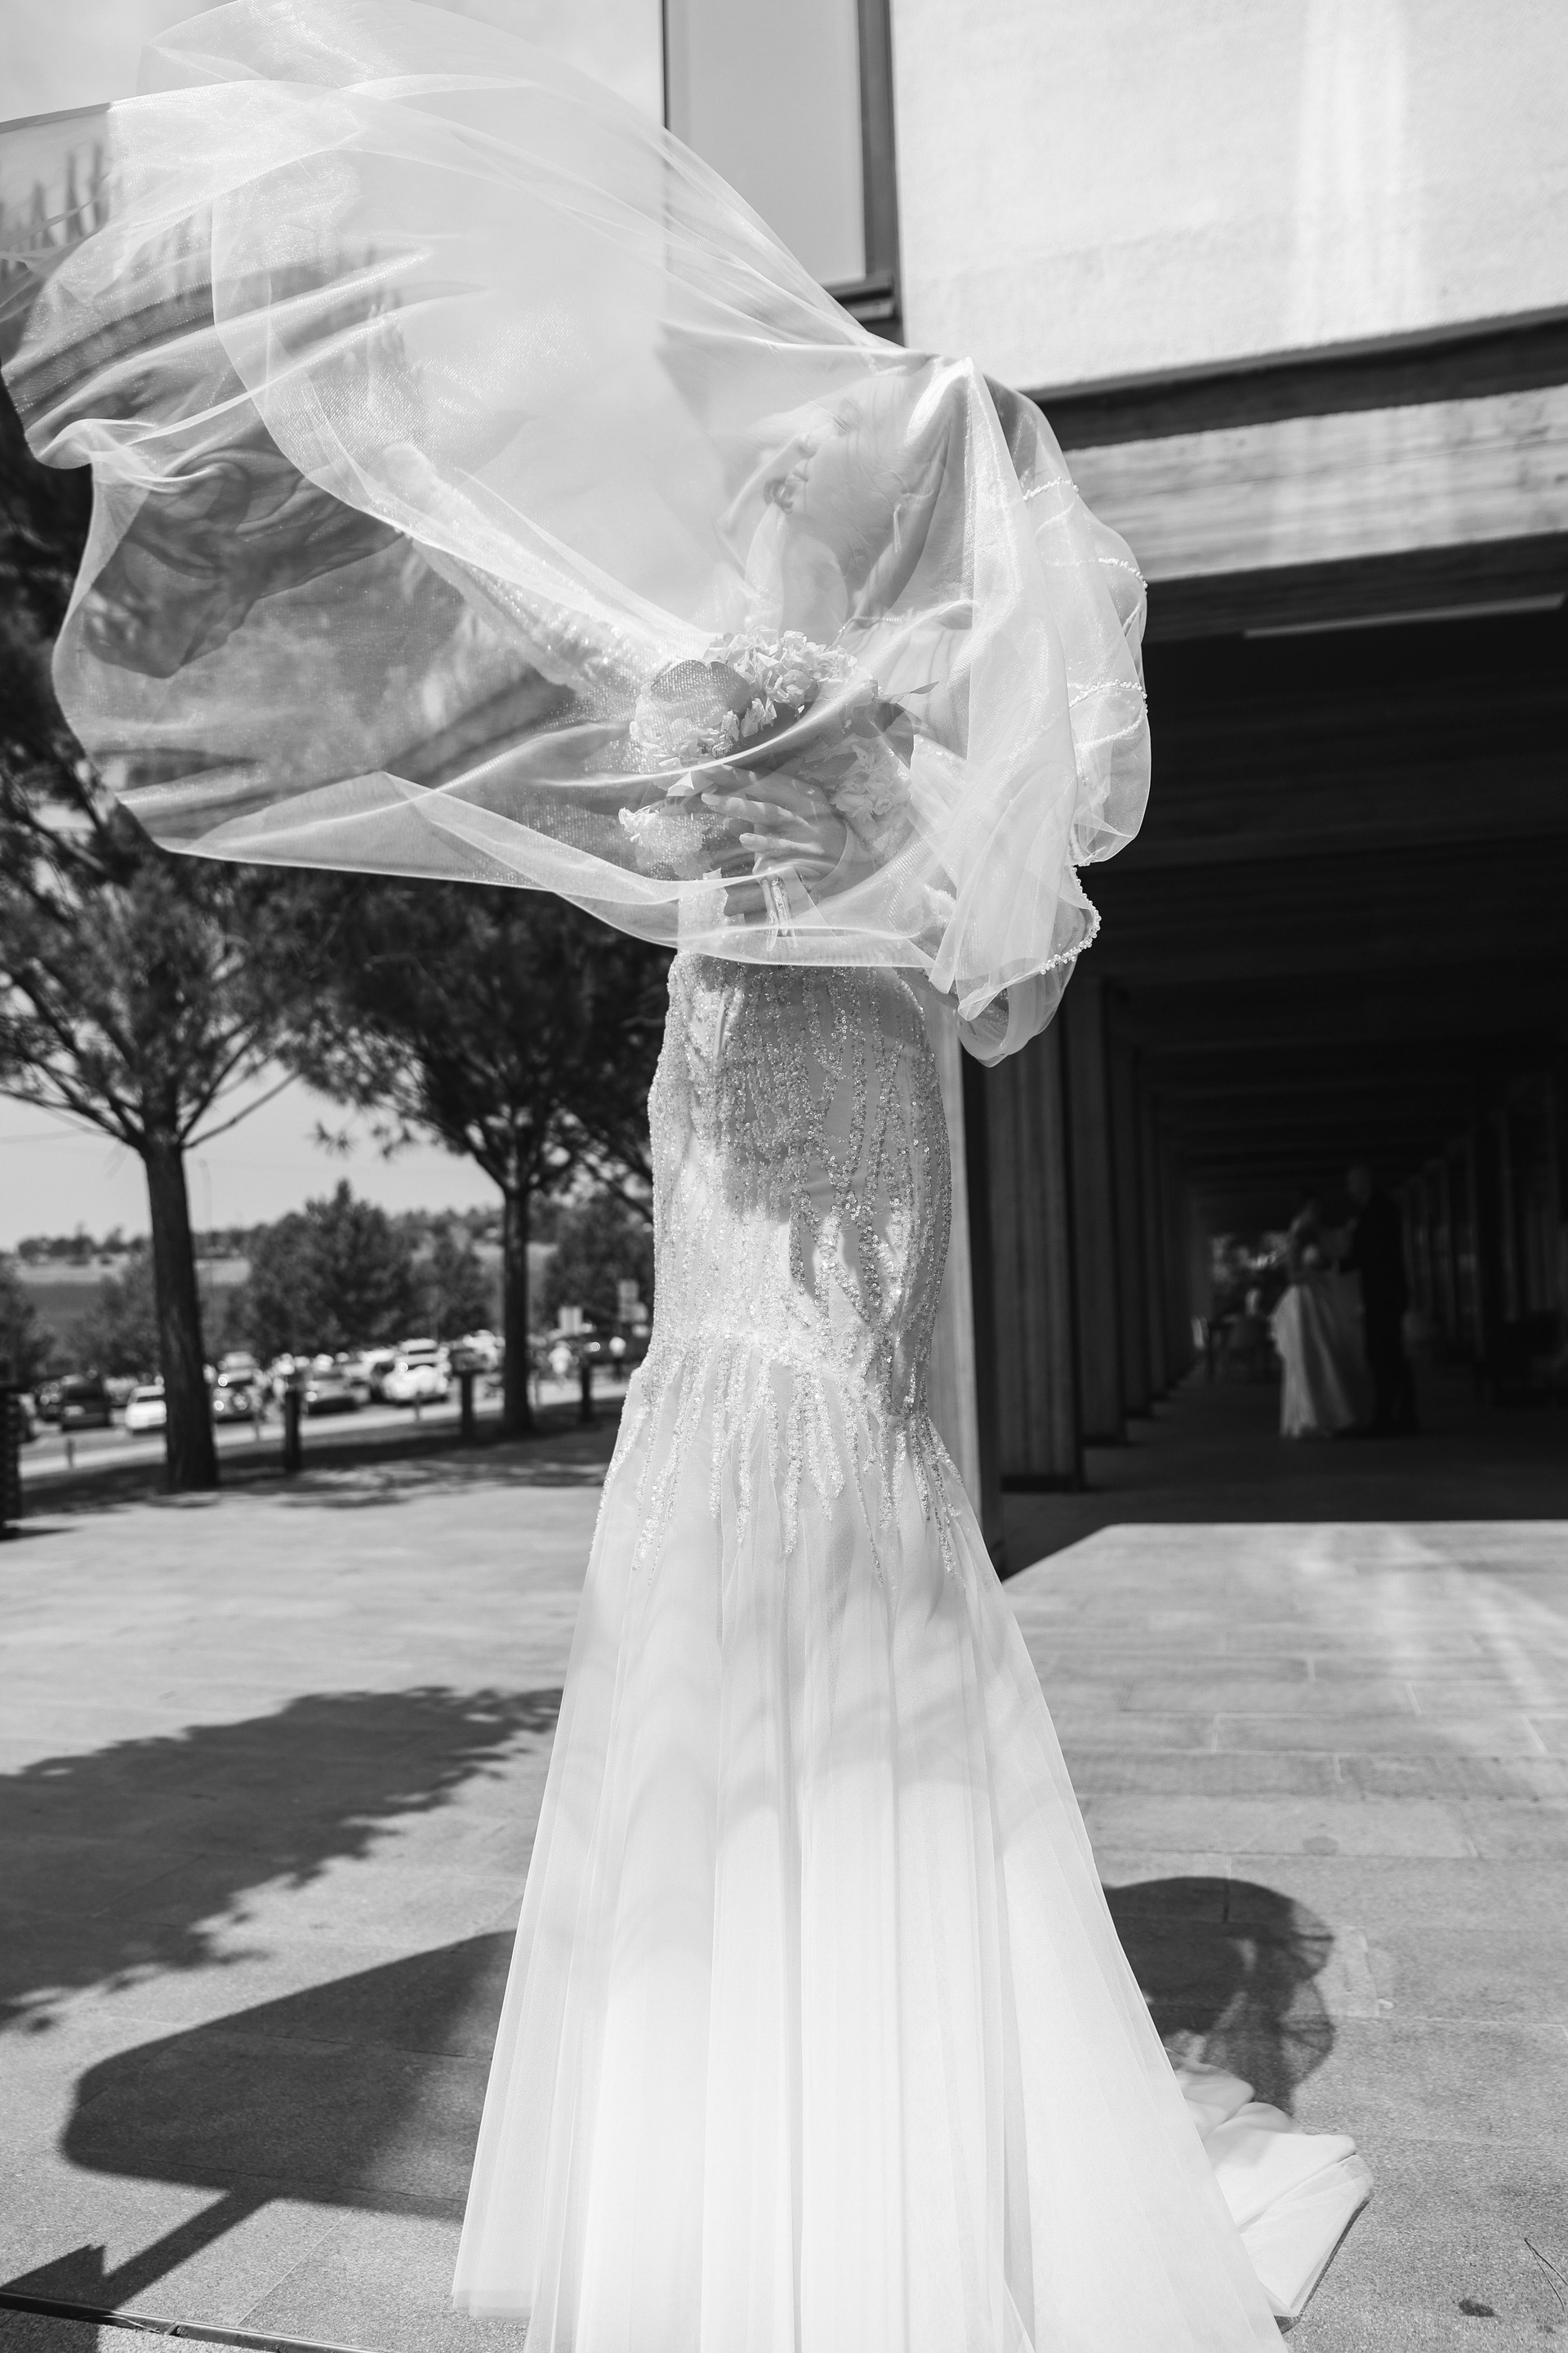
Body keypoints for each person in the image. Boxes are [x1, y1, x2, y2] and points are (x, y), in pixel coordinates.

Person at [0, 8, 1369, 2343]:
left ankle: (845, 2121)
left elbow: (927, 896)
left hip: (822, 1096)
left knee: (814, 1511)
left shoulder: (832, 633)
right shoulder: (736, 631)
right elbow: (608, 708)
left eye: (818, 438)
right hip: (735, 1088)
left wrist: (762, 770)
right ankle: (780, 2081)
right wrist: (357, 384)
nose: (777, 436)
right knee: (757, 1531)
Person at [1269, 1196, 1366, 1438]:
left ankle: (1328, 1413)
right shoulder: (1298, 1238)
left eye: (1319, 1208)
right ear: (1303, 1211)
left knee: (1324, 1350)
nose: (1318, 1213)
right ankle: (1313, 1415)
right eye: (1314, 1209)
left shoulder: (1315, 1236)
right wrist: (1315, 1273)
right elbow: (1293, 1275)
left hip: (1318, 1296)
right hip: (1306, 1300)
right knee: (1313, 1352)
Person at [1344, 1163, 1417, 1434]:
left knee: (1384, 1354)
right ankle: (1401, 1413)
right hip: (1387, 1293)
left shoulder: (1377, 1211)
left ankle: (1388, 1415)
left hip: (1382, 1294)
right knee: (1391, 1353)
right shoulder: (1383, 1207)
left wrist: (1339, 1262)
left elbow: (1368, 1253)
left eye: (1352, 1183)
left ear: (1364, 1183)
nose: (1349, 1189)